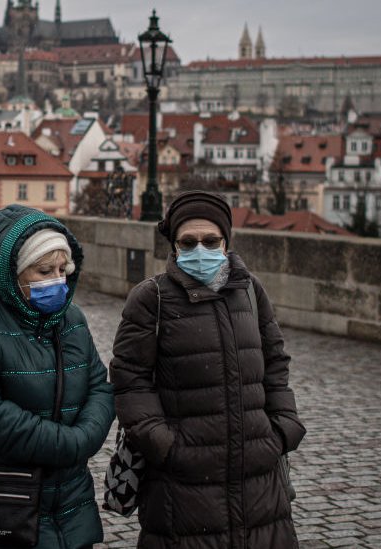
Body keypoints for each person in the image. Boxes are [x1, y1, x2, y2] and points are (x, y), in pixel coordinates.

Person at [109, 191, 305, 549]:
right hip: (183, 483)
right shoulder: (150, 298)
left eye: (211, 240)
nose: (201, 249)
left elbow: (275, 361)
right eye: (189, 242)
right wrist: (167, 448)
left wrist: (281, 430)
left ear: (226, 242)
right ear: (175, 246)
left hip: (258, 476)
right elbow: (129, 381)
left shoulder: (250, 290)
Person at [0, 204, 115, 548]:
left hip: (70, 499)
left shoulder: (72, 319)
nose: (57, 280)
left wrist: (88, 434)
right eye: (44, 271)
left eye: (63, 269)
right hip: (2, 499)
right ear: (12, 273)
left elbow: (98, 386)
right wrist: (68, 444)